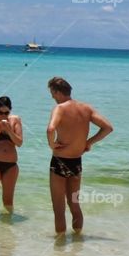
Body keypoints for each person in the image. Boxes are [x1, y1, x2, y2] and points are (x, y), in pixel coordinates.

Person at [46, 77, 113, 237]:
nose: (52, 97)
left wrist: (52, 145)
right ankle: (77, 239)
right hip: (76, 162)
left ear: (57, 92)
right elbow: (108, 128)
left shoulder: (60, 108)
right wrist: (88, 143)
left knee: (59, 207)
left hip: (60, 161)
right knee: (74, 204)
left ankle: (60, 245)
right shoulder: (86, 108)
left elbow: (50, 129)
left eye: (52, 93)